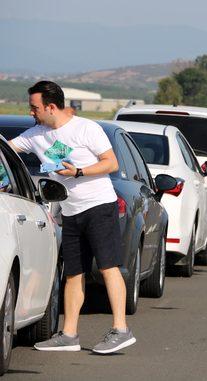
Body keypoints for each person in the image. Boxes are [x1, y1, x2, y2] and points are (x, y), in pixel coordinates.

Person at [8, 81, 135, 354]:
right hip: (70, 211)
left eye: (35, 108)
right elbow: (7, 150)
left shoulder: (86, 128)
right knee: (73, 274)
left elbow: (111, 163)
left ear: (51, 107)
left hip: (99, 207)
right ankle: (69, 335)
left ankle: (121, 329)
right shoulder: (36, 135)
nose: (31, 112)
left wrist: (78, 171)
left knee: (107, 267)